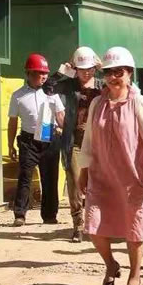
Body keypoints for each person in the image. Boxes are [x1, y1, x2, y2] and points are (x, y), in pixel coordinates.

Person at [78, 46, 143, 285]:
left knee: (134, 227)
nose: (113, 77)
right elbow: (88, 139)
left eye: (119, 72)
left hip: (132, 176)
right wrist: (84, 170)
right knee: (93, 227)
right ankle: (111, 264)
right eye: (109, 72)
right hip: (101, 175)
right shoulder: (97, 103)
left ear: (129, 73)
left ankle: (135, 275)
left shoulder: (139, 103)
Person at [43, 47, 102, 242]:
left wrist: (104, 69)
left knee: (99, 183)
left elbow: (128, 89)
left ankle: (97, 222)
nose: (86, 73)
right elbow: (47, 88)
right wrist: (62, 71)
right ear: (75, 69)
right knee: (75, 182)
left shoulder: (102, 86)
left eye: (90, 69)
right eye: (82, 69)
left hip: (98, 141)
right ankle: (78, 223)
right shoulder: (69, 85)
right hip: (74, 140)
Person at [7, 54, 66, 227]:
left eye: (45, 73)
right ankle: (20, 214)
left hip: (50, 140)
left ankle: (49, 215)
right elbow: (12, 122)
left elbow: (61, 117)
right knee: (25, 177)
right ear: (29, 73)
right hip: (28, 141)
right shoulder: (18, 96)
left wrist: (68, 131)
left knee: (50, 178)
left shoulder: (52, 95)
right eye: (40, 73)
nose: (44, 76)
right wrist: (10, 144)